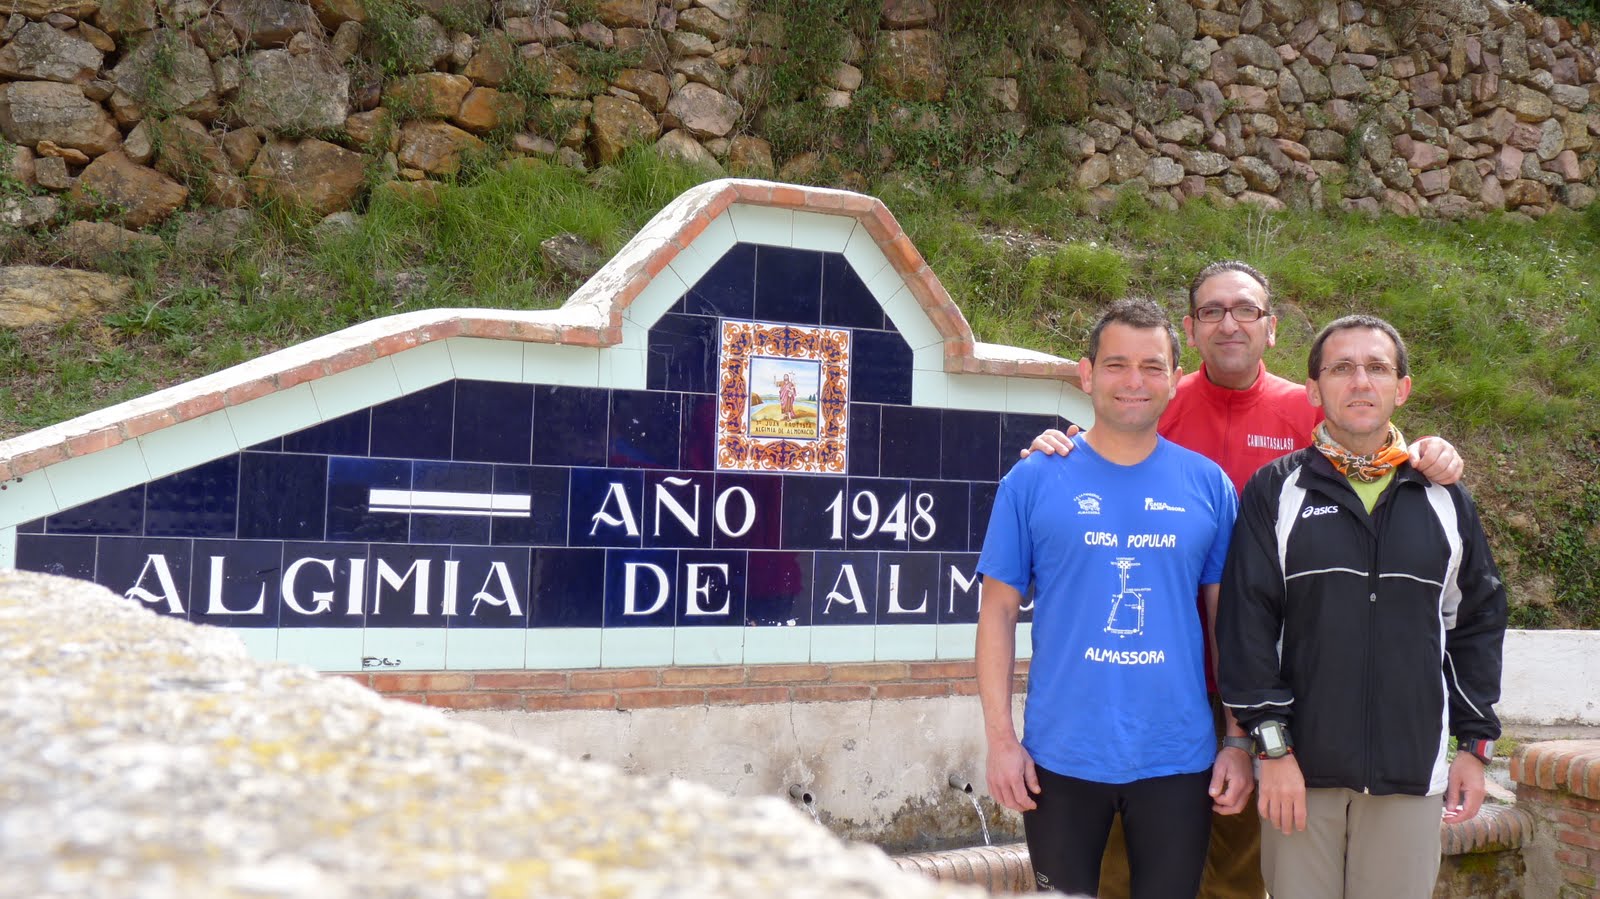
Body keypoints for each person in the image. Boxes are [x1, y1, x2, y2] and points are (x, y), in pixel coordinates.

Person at [1021, 261, 1465, 899]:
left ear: (1272, 326)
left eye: (1246, 310)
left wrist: (1429, 452)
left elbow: (1374, 453)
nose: (1229, 323)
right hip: (1150, 682)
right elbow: (1098, 453)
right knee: (1122, 871)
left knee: (1239, 870)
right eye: (1212, 311)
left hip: (1264, 689)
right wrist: (1055, 447)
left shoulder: (1306, 409)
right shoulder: (1155, 399)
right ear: (1190, 329)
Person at [1216, 314, 1506, 899]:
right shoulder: (1275, 490)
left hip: (1410, 770)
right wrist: (1272, 751)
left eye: (1377, 368)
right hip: (1300, 771)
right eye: (1342, 368)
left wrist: (1474, 748)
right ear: (1313, 389)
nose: (1360, 381)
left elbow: (1475, 624)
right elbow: (1247, 625)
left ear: (1402, 388)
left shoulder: (1444, 497)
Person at [977, 298, 1251, 898]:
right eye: (1116, 364)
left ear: (1175, 379)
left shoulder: (1208, 485)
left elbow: (1226, 623)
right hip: (1061, 755)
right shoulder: (1033, 478)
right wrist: (1001, 741)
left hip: (1179, 756)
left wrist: (1236, 739)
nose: (1134, 381)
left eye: (1152, 367)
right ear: (1087, 374)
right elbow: (996, 613)